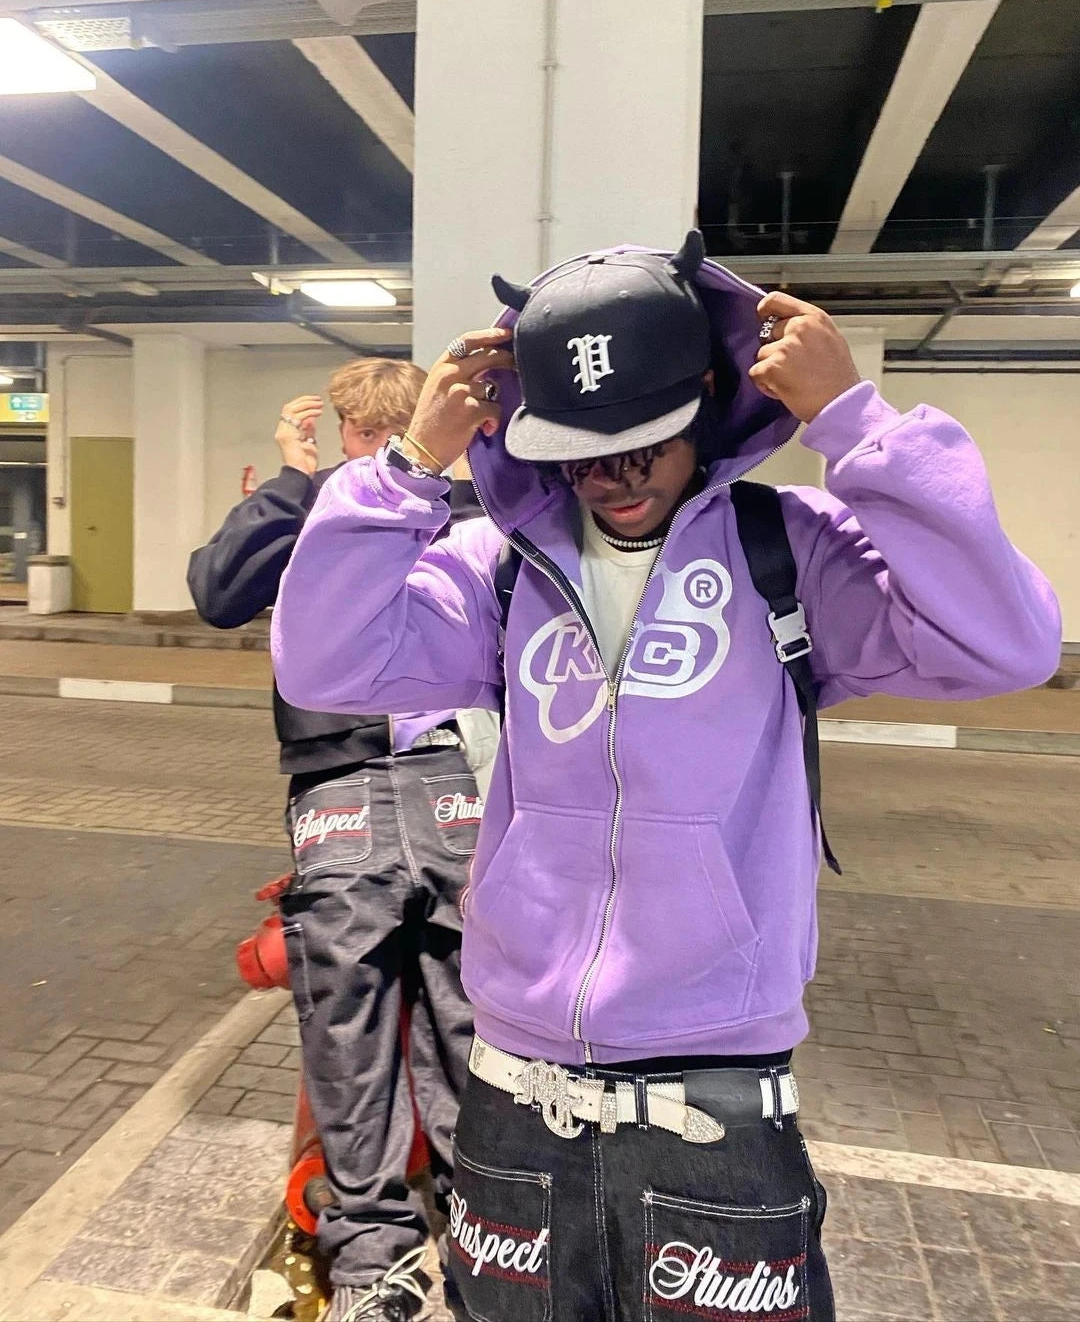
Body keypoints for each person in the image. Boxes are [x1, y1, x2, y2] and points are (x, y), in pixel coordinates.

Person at [270, 236, 1061, 1322]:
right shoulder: (501, 569)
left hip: (718, 1082)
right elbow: (323, 660)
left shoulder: (788, 552)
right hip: (515, 1080)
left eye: (643, 439)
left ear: (705, 401)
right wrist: (408, 466)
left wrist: (857, 424)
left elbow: (1007, 642)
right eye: (581, 449)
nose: (613, 474)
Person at [188, 357, 485, 1322]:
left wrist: (298, 477)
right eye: (366, 437)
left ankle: (397, 1258)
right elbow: (218, 590)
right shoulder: (391, 511)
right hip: (402, 782)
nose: (375, 453)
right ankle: (458, 1250)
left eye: (381, 435)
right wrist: (296, 482)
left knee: (378, 1023)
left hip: (392, 782)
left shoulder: (386, 510)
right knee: (430, 1016)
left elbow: (217, 589)